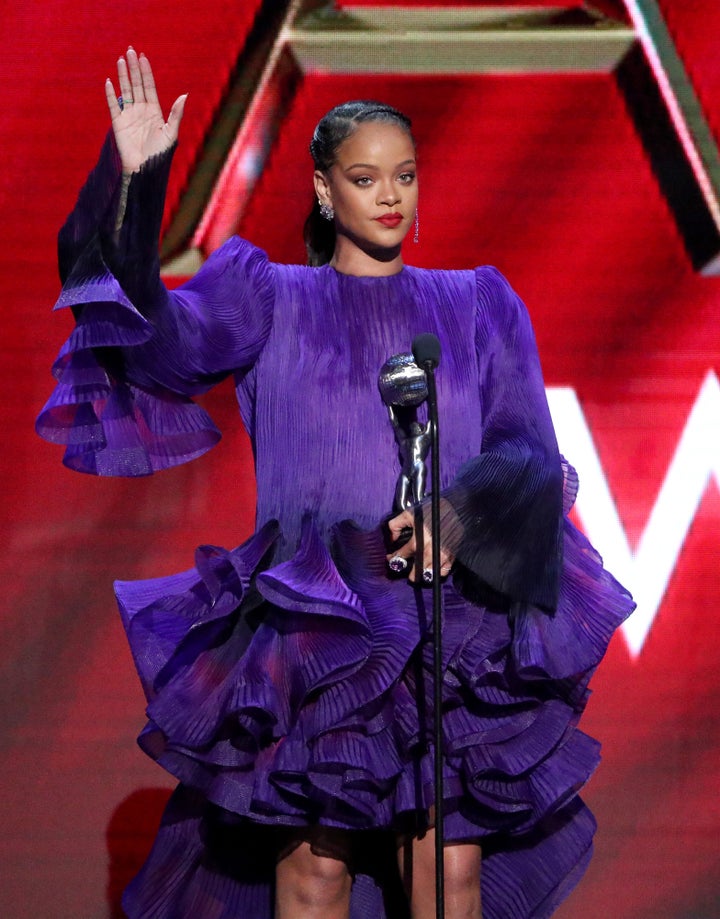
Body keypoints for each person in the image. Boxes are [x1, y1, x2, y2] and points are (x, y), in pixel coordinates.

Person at [37, 48, 635, 919]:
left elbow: (532, 456)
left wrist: (461, 515)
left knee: (446, 876)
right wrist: (135, 189)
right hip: (317, 628)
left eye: (405, 176)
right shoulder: (267, 294)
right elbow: (159, 344)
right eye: (365, 177)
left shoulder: (478, 303)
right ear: (326, 191)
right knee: (313, 874)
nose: (391, 196)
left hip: (445, 624)